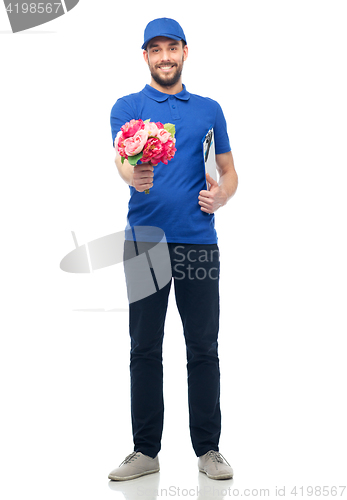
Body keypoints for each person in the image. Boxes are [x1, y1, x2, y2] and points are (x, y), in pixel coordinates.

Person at [108, 17, 238, 481]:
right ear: (145, 56)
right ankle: (145, 451)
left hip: (199, 244)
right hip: (144, 243)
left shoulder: (209, 110)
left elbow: (229, 172)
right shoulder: (127, 107)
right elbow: (123, 162)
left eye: (172, 48)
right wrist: (133, 175)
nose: (165, 56)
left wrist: (223, 194)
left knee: (203, 347)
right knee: (144, 348)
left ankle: (209, 449)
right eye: (155, 49)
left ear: (185, 52)